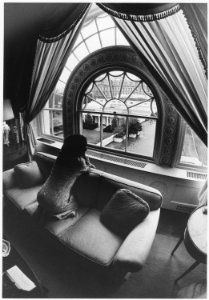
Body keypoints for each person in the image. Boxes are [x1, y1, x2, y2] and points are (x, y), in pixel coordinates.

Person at [37, 134, 94, 220]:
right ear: (79, 148)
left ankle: (45, 210)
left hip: (40, 195)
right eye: (84, 146)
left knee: (57, 198)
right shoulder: (79, 163)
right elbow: (89, 169)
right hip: (54, 203)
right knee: (76, 204)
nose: (86, 148)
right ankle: (57, 215)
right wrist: (86, 159)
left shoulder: (60, 157)